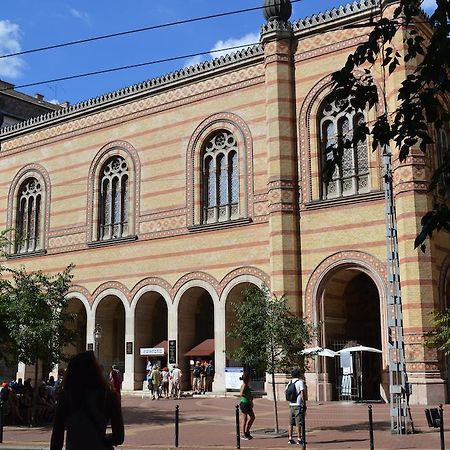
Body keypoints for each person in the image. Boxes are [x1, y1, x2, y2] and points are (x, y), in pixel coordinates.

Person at [50, 351, 124, 450]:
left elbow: (57, 437)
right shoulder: (109, 396)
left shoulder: (66, 397)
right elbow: (119, 437)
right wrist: (101, 439)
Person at [286, 367, 307, 446]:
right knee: (299, 423)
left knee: (291, 422)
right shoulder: (300, 382)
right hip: (298, 405)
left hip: (291, 404)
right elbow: (302, 393)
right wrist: (304, 403)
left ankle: (290, 438)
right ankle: (299, 438)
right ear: (299, 374)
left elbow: (286, 391)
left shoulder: (290, 382)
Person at [239, 372, 255, 440]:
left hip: (247, 403)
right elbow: (241, 393)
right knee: (244, 419)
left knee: (252, 417)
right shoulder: (244, 385)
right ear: (247, 379)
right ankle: (243, 433)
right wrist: (248, 397)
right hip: (244, 403)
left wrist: (250, 399)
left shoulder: (246, 385)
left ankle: (247, 431)